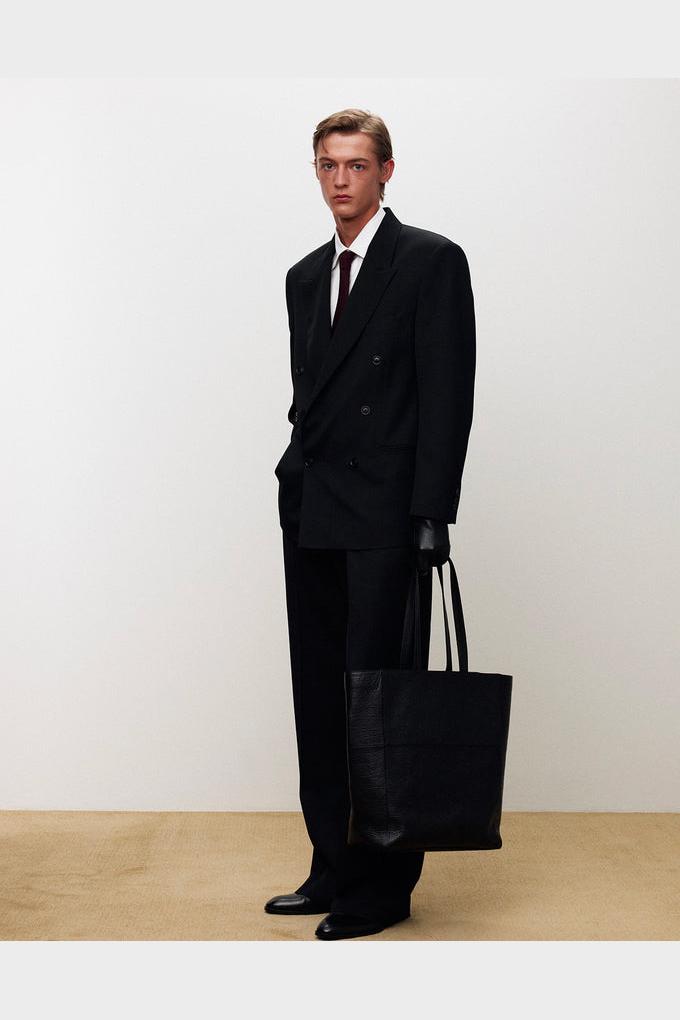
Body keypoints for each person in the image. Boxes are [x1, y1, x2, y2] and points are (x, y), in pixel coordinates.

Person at [266, 108, 476, 940]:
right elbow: (308, 398)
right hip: (314, 511)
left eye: (356, 165)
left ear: (386, 171)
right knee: (319, 698)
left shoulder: (429, 260)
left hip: (388, 517)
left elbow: (447, 397)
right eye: (328, 165)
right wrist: (291, 472)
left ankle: (382, 886)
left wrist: (432, 515)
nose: (341, 180)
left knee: (378, 704)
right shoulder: (302, 275)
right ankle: (330, 864)